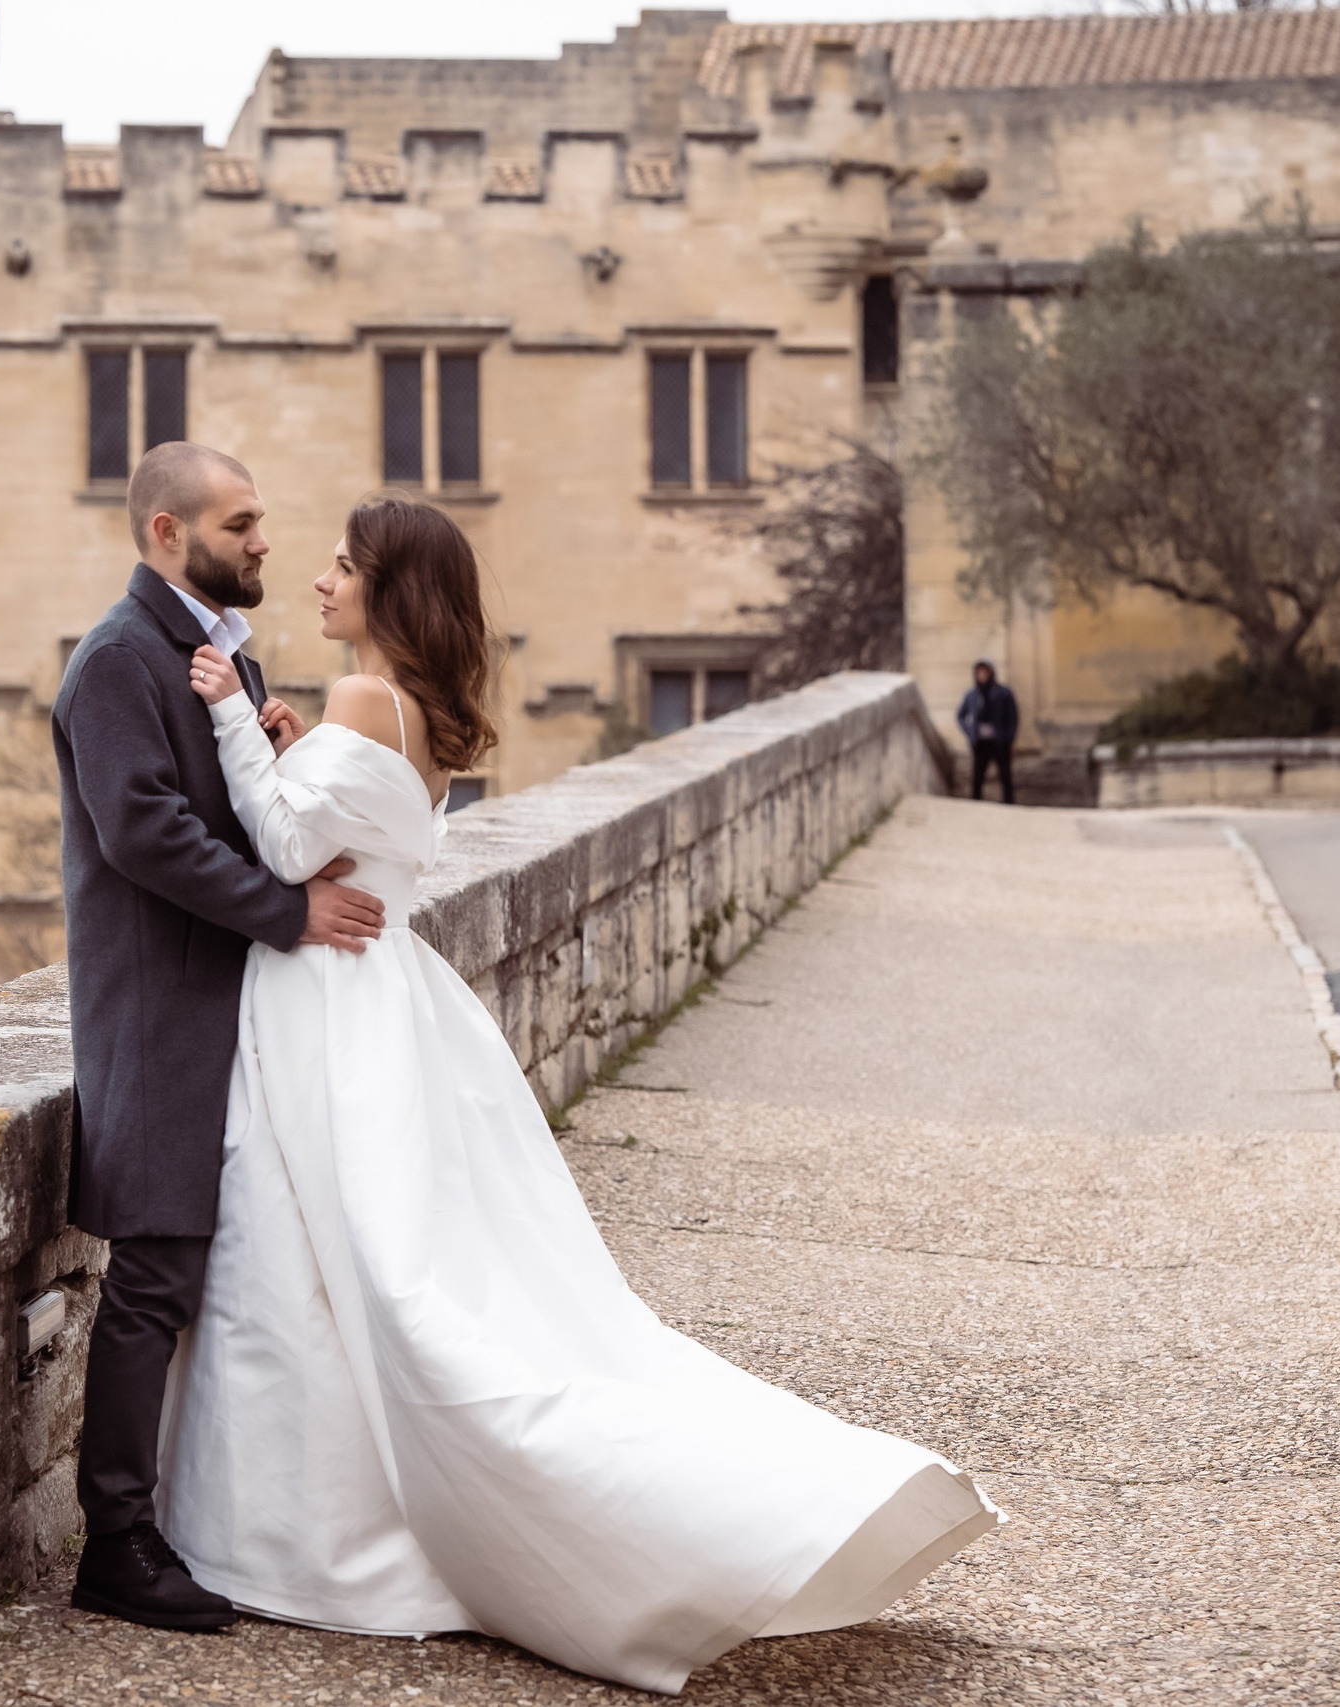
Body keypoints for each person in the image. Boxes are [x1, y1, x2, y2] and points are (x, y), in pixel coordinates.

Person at [162, 494, 999, 1695]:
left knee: (323, 1267)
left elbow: (293, 854)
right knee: (355, 1267)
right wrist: (290, 749)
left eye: (340, 568)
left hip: (330, 1004)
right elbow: (350, 825)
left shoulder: (361, 699)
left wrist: (240, 725)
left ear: (387, 592)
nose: (317, 583)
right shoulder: (420, 715)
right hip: (389, 993)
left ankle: (305, 1534)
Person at [51, 442, 388, 1631]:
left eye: (259, 522)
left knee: (190, 1278)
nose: (261, 543)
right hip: (156, 1015)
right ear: (164, 534)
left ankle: (178, 1525)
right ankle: (117, 1547)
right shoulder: (113, 664)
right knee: (148, 1281)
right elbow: (144, 838)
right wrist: (289, 913)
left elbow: (220, 813)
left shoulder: (203, 656)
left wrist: (275, 758)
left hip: (220, 1005)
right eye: (239, 524)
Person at [956, 660, 1019, 805]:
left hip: (999, 741)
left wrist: (1008, 737)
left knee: (1005, 776)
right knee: (978, 776)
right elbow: (960, 716)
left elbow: (1013, 717)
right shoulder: (972, 694)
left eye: (985, 672)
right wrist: (970, 732)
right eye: (979, 673)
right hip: (980, 742)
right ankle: (976, 804)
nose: (982, 675)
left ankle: (1010, 804)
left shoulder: (1003, 693)